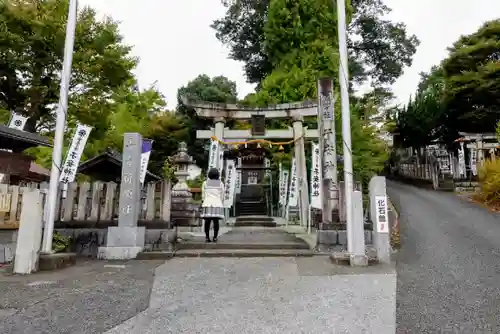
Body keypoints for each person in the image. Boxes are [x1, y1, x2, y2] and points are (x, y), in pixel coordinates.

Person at [201, 168, 225, 242]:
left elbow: (203, 195)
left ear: (209, 175)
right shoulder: (220, 183)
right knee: (216, 221)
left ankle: (207, 237)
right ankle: (215, 237)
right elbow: (222, 195)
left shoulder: (205, 183)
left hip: (207, 203)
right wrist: (220, 202)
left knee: (207, 221)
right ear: (218, 175)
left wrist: (204, 201)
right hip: (217, 204)